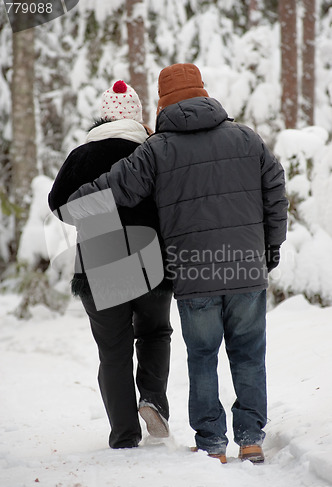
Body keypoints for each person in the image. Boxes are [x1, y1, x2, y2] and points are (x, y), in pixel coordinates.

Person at [66, 64, 288, 463]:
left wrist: (77, 203)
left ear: (163, 102)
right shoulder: (247, 139)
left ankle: (212, 443)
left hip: (195, 271)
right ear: (203, 93)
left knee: (202, 355)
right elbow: (275, 191)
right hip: (246, 268)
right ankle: (251, 438)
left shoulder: (158, 149)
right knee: (249, 354)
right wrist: (269, 250)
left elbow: (119, 185)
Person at [48, 80, 173, 449]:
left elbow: (59, 205)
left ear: (102, 116)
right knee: (154, 333)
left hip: (100, 260)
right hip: (150, 257)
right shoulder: (152, 150)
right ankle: (152, 399)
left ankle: (123, 434)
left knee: (114, 349)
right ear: (137, 115)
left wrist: (97, 216)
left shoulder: (81, 156)